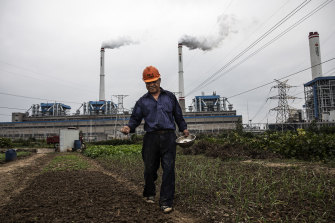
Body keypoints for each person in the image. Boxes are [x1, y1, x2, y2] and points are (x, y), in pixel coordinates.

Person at [121, 65, 189, 214]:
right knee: (149, 169)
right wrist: (128, 127)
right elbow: (135, 119)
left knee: (169, 169)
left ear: (159, 80)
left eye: (154, 81)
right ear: (145, 83)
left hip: (169, 137)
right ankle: (149, 192)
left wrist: (184, 128)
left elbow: (178, 115)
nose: (151, 85)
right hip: (151, 138)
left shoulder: (170, 97)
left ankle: (166, 201)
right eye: (148, 82)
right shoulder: (142, 102)